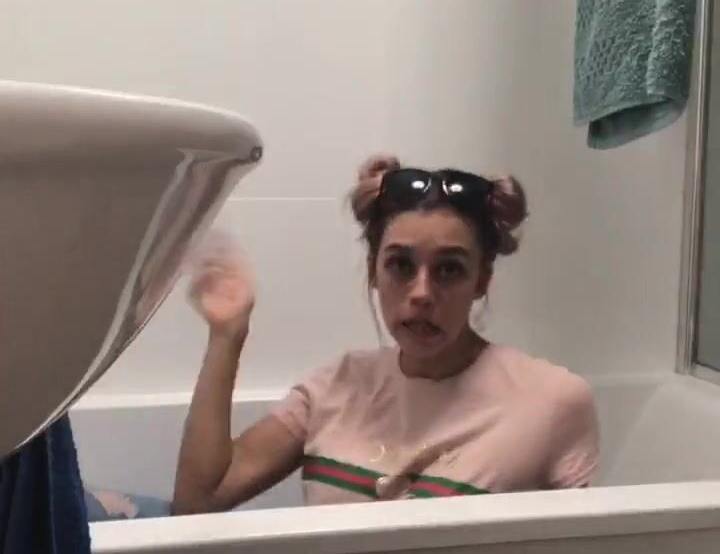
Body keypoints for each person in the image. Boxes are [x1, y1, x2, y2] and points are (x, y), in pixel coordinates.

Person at [173, 157, 599, 512]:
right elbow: (198, 501)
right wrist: (227, 334)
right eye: (401, 265)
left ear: (481, 279)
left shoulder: (551, 401)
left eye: (450, 269)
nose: (422, 293)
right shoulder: (338, 385)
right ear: (374, 270)